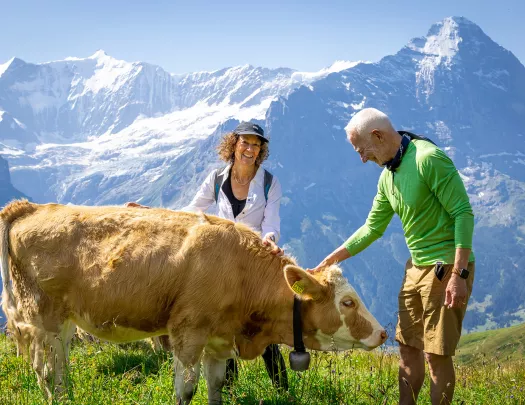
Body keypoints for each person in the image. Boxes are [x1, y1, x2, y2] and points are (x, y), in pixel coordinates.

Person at [310, 108, 475, 405]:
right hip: (415, 268)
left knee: (435, 355)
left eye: (362, 150)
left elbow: (463, 213)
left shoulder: (428, 159)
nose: (362, 158)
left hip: (446, 266)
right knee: (408, 349)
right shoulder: (388, 177)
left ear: (378, 135)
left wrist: (459, 275)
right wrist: (327, 261)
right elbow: (372, 229)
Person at [126, 121, 289, 392]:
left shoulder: (270, 183)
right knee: (226, 324)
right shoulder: (216, 179)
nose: (250, 149)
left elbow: (271, 224)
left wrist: (270, 239)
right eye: (245, 143)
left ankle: (283, 389)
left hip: (254, 263)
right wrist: (151, 212)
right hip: (223, 264)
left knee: (262, 327)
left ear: (261, 150)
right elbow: (191, 213)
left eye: (256, 145)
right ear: (234, 145)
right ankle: (231, 391)